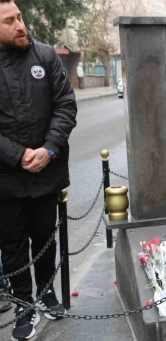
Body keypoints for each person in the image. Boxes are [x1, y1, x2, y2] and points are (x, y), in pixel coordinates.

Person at [0, 1, 77, 340]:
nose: (20, 25)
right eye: (9, 21)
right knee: (13, 245)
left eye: (20, 17)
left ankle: (46, 293)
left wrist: (49, 148)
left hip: (46, 172)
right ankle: (23, 305)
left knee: (45, 236)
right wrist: (18, 156)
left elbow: (65, 105)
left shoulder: (45, 56)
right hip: (6, 179)